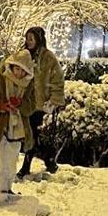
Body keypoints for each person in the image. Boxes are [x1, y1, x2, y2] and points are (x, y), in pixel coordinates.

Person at [0, 49, 35, 200]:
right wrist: (2, 106)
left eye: (23, 70)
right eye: (17, 69)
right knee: (0, 159)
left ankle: (8, 188)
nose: (19, 73)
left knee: (12, 160)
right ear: (12, 66)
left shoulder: (28, 85)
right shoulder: (2, 80)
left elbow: (31, 106)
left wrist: (20, 104)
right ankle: (2, 190)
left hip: (18, 129)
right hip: (0, 126)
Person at [17, 26, 65, 178]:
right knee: (32, 135)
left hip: (39, 104)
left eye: (31, 39)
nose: (28, 41)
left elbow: (57, 79)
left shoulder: (47, 57)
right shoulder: (23, 55)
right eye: (27, 38)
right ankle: (49, 160)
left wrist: (53, 100)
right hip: (25, 103)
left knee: (33, 135)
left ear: (38, 39)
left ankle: (26, 167)